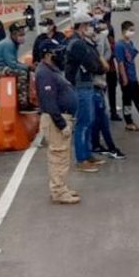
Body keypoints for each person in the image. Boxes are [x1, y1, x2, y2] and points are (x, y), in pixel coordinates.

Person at [35, 40, 80, 204]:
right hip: (56, 121)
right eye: (57, 52)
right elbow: (49, 102)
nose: (61, 55)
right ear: (48, 55)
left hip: (61, 117)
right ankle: (58, 192)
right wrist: (62, 124)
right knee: (58, 156)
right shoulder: (44, 73)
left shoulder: (52, 70)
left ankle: (61, 187)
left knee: (62, 156)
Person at [65, 13, 108, 173]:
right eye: (90, 25)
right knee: (83, 123)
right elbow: (93, 65)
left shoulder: (83, 42)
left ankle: (87, 154)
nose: (92, 28)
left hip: (86, 84)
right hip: (80, 86)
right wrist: (101, 67)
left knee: (88, 121)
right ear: (82, 26)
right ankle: (81, 159)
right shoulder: (77, 44)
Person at [91, 20, 126, 160]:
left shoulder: (102, 38)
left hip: (100, 80)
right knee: (101, 118)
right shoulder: (83, 44)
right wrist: (99, 65)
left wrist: (103, 64)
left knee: (98, 117)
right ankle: (110, 147)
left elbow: (108, 52)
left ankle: (96, 144)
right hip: (92, 83)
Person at [0, 22, 35, 111]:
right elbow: (12, 64)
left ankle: (25, 99)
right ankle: (23, 104)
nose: (22, 36)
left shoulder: (13, 43)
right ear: (13, 34)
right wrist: (28, 68)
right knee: (22, 73)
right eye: (20, 34)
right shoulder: (8, 44)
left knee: (24, 70)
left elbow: (15, 61)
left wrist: (27, 67)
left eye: (23, 34)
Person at [114, 21, 139, 131]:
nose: (132, 32)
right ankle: (129, 121)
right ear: (124, 31)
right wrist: (124, 78)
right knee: (127, 101)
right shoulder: (119, 46)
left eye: (133, 30)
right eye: (130, 30)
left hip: (133, 76)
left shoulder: (130, 43)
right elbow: (120, 63)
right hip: (126, 77)